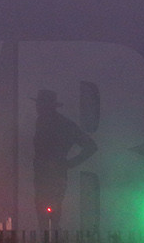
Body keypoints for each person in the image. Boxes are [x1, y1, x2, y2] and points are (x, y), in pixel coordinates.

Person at [31, 89, 96, 233]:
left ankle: (52, 241)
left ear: (48, 106)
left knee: (52, 213)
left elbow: (91, 146)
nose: (38, 108)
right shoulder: (41, 122)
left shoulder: (64, 124)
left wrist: (69, 163)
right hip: (43, 175)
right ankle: (49, 240)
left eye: (41, 104)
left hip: (54, 176)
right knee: (45, 214)